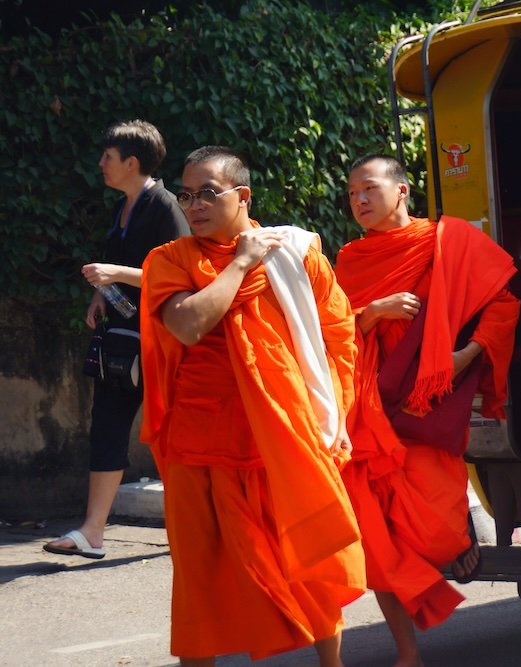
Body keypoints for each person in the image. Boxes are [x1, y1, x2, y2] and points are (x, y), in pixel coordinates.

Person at [139, 146, 365, 665]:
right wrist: (241, 262)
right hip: (200, 445)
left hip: (284, 436)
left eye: (208, 193)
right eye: (187, 194)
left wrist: (331, 416)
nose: (194, 205)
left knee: (309, 560)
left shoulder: (298, 254)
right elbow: (189, 324)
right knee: (200, 577)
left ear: (242, 196)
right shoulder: (170, 259)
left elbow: (337, 337)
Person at [336, 154, 519, 667]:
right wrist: (373, 313)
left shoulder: (448, 242)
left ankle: (457, 537)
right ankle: (407, 651)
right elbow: (329, 334)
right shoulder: (350, 258)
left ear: (402, 191)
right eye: (352, 194)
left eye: (369, 189)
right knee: (376, 537)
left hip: (426, 406)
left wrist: (466, 354)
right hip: (372, 407)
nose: (360, 201)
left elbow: (502, 304)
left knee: (433, 526)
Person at [44, 120, 188, 560]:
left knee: (172, 434)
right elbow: (126, 270)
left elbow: (181, 277)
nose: (101, 164)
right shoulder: (124, 208)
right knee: (106, 423)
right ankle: (93, 531)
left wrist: (116, 275)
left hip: (161, 343)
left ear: (132, 162)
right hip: (124, 339)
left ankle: (191, 526)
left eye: (108, 157)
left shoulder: (164, 206)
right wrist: (102, 295)